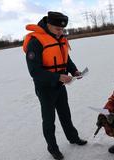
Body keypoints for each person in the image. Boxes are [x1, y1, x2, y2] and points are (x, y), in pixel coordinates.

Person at [22, 11, 87, 160]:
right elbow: (35, 72)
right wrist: (58, 77)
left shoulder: (60, 38)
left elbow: (66, 58)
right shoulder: (35, 42)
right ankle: (52, 147)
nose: (61, 32)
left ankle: (73, 137)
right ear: (48, 25)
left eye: (62, 29)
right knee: (49, 120)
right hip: (45, 88)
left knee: (65, 114)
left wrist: (74, 70)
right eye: (58, 29)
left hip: (60, 85)